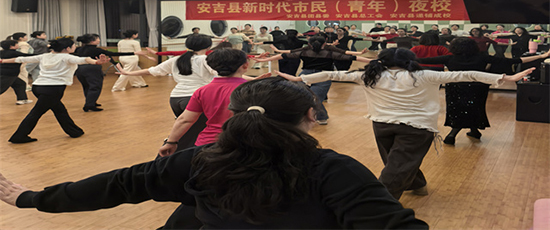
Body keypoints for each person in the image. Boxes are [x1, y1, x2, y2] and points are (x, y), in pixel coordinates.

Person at [0, 77, 430, 230]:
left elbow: (118, 185)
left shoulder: (199, 160)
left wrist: (30, 198)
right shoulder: (335, 171)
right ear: (310, 116)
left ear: (234, 115)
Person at [277, 48, 536, 200]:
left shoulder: (368, 75)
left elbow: (333, 73)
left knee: (395, 165)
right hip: (415, 128)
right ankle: (416, 184)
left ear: (382, 60)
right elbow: (466, 75)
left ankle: (377, 202)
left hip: (383, 126)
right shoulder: (424, 75)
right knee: (397, 165)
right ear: (408, 61)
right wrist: (506, 78)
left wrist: (299, 79)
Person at [417, 38, 550, 145]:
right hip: (478, 87)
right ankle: (467, 132)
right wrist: (543, 56)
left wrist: (404, 59)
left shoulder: (449, 58)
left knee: (457, 110)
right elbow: (514, 60)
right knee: (475, 107)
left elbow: (422, 61)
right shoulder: (482, 57)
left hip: (455, 88)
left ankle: (458, 133)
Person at [158, 48, 270, 157]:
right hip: (243, 144)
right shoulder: (253, 90)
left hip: (207, 145)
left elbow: (185, 120)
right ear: (245, 66)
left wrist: (171, 142)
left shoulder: (202, 91)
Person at [117, 35, 217, 151]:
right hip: (195, 98)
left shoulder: (176, 59)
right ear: (208, 46)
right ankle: (175, 152)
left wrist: (128, 73)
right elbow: (221, 73)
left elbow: (152, 71)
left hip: (175, 99)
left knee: (186, 130)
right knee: (196, 132)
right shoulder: (205, 60)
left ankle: (175, 149)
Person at [0, 37, 108, 143]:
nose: (75, 47)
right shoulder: (67, 57)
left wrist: (2, 60)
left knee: (60, 110)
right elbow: (84, 59)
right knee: (36, 113)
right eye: (73, 45)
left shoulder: (45, 56)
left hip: (38, 87)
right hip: (53, 89)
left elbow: (20, 59)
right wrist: (96, 62)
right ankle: (19, 136)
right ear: (67, 48)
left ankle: (74, 131)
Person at [253, 35, 371, 125]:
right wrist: (372, 61)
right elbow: (352, 57)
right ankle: (312, 116)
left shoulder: (305, 51)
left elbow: (283, 55)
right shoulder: (329, 53)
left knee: (312, 97)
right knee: (313, 98)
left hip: (310, 76)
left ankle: (321, 117)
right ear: (324, 43)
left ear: (309, 44)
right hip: (322, 76)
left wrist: (263, 60)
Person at [74, 33, 148, 112]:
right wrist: (134, 53)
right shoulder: (96, 50)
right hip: (92, 69)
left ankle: (91, 102)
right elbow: (113, 54)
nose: (99, 40)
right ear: (92, 41)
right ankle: (89, 105)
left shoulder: (79, 49)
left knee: (87, 86)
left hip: (80, 69)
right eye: (97, 38)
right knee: (95, 87)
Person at [0, 40, 33, 104]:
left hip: (7, 73)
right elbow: (28, 56)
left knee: (20, 84)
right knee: (1, 88)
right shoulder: (14, 53)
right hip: (9, 74)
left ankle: (22, 99)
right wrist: (44, 55)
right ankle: (22, 99)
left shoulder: (2, 52)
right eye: (16, 44)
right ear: (11, 46)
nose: (18, 45)